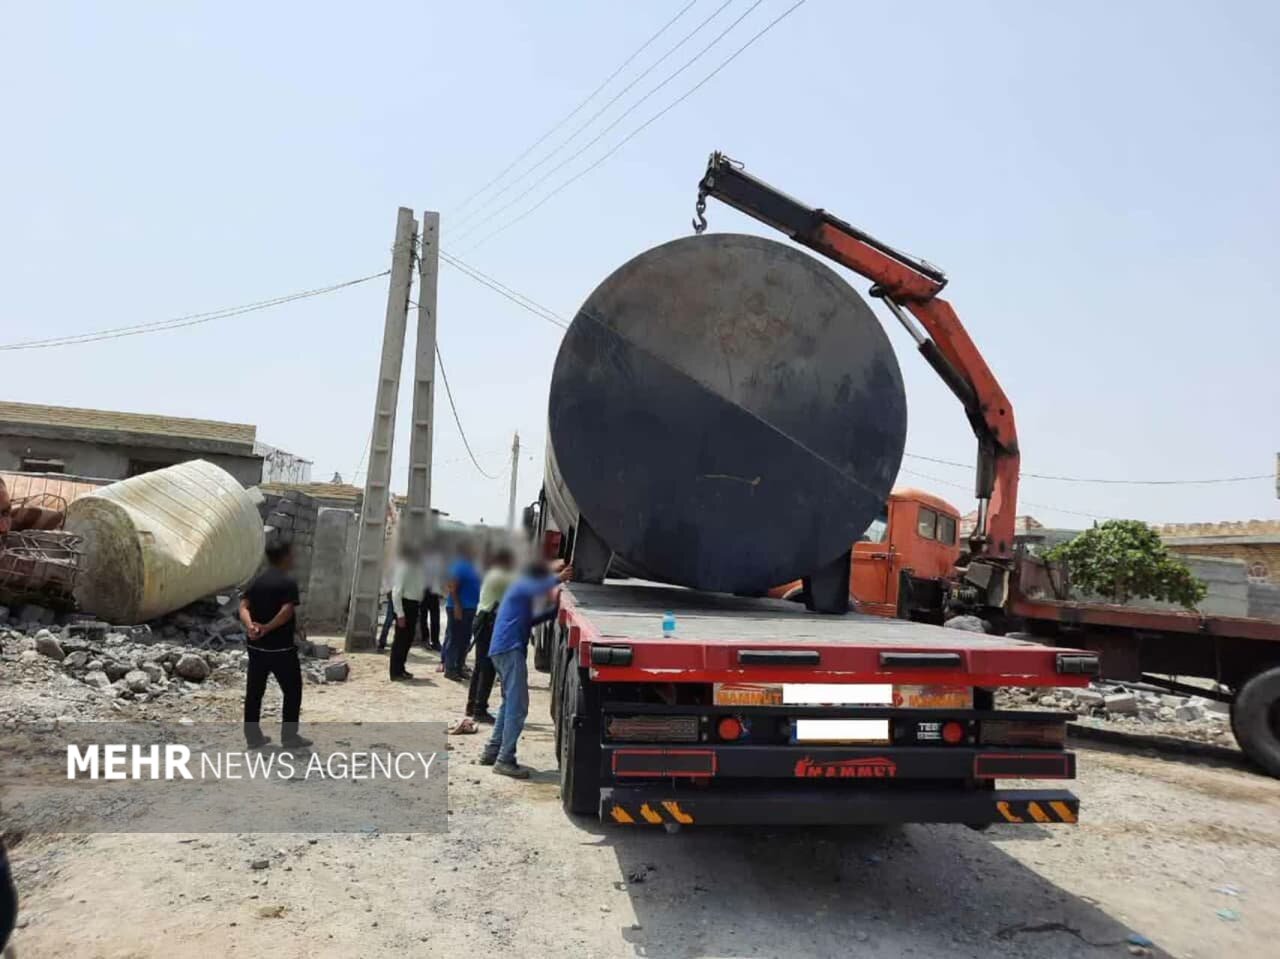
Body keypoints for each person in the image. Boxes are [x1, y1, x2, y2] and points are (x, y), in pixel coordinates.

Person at [481, 561, 573, 778]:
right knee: (518, 706)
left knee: (508, 704)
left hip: (502, 649)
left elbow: (528, 619)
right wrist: (560, 578)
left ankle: (492, 751)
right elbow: (537, 587)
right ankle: (505, 759)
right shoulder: (522, 584)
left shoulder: (518, 589)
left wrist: (551, 613)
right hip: (509, 649)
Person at [240, 541, 310, 749]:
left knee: (254, 692)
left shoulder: (257, 580)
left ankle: (253, 737)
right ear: (285, 557)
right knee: (292, 690)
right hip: (281, 650)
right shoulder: (288, 582)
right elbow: (287, 610)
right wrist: (268, 627)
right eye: (291, 555)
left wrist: (251, 626)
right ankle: (289, 737)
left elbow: (243, 606)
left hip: (256, 648)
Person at [466, 547, 516, 722]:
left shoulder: (494, 574)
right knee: (487, 668)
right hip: (488, 622)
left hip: (485, 619)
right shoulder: (500, 576)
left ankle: (473, 705)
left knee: (481, 666)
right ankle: (479, 709)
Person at [389, 539, 428, 681]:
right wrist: (400, 614)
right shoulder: (404, 567)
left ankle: (401, 668)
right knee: (400, 640)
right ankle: (395, 672)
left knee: (407, 640)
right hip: (405, 605)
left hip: (413, 606)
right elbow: (396, 592)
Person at [442, 542, 481, 682]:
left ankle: (459, 667)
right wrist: (458, 606)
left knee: (465, 639)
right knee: (455, 639)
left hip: (470, 609)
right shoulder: (459, 566)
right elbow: (452, 587)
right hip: (459, 608)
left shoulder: (473, 567)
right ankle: (450, 668)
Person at [420, 542, 445, 651]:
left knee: (435, 618)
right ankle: (425, 640)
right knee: (423, 617)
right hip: (423, 591)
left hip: (433, 591)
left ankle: (435, 641)